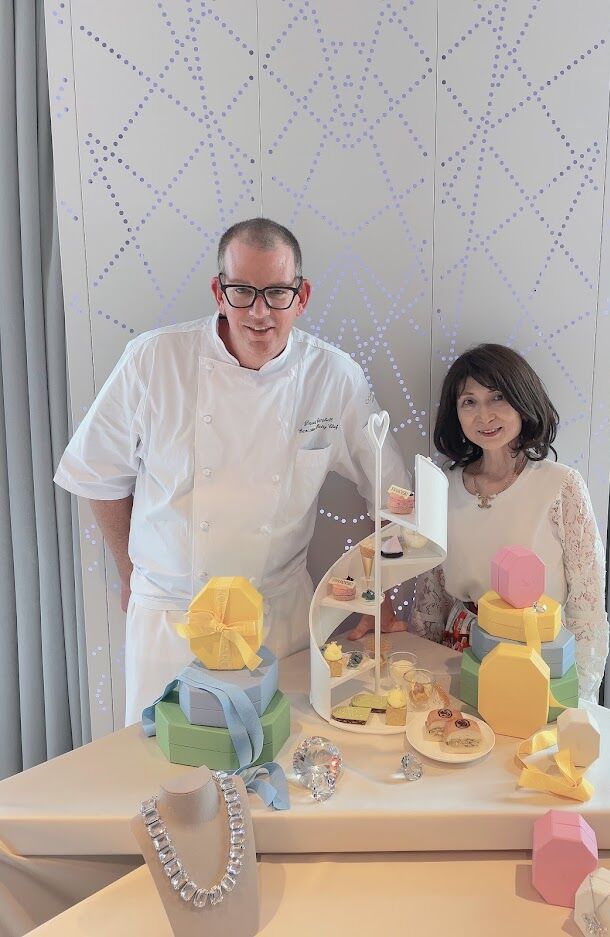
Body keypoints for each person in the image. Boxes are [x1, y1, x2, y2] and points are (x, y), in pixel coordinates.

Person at [55, 218, 408, 723]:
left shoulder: (334, 376)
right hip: (172, 618)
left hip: (276, 614)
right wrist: (130, 576)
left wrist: (381, 593)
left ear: (302, 296)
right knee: (163, 759)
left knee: (282, 755)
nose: (259, 312)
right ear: (219, 293)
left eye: (277, 293)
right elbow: (98, 474)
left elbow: (393, 493)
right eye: (242, 291)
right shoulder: (153, 360)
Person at [411, 344, 609, 702]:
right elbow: (432, 594)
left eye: (498, 397)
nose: (484, 415)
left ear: (522, 400)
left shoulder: (561, 485)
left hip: (538, 658)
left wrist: (578, 695)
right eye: (469, 402)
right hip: (458, 658)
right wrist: (419, 669)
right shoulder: (442, 485)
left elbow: (587, 605)